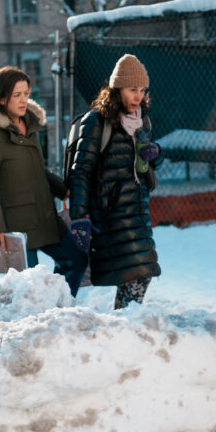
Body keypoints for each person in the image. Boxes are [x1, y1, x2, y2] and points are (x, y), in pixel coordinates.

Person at [0, 66, 85, 296]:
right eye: (17, 95)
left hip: (44, 215)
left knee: (76, 260)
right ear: (2, 98)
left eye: (26, 94)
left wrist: (60, 188)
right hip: (17, 225)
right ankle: (38, 321)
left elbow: (34, 168)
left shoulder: (29, 125)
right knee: (29, 287)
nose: (24, 100)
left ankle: (59, 305)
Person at [67, 54, 162, 309]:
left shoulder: (142, 120)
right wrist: (79, 217)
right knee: (139, 272)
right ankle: (124, 325)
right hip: (110, 213)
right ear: (117, 88)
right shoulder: (97, 121)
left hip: (137, 210)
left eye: (142, 90)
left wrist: (155, 154)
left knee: (140, 273)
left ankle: (122, 324)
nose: (138, 96)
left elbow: (142, 166)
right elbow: (81, 171)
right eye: (132, 89)